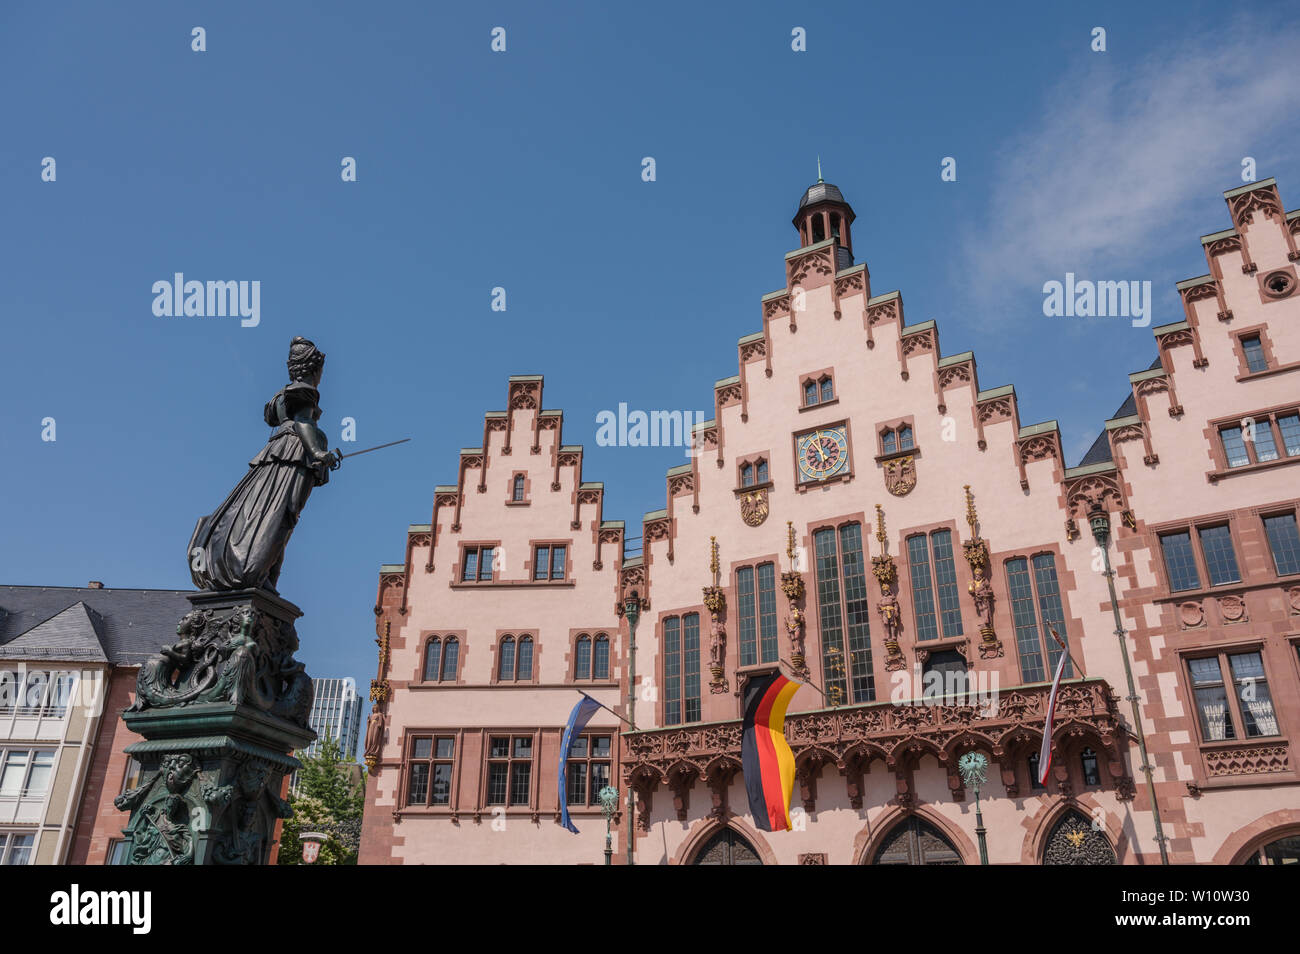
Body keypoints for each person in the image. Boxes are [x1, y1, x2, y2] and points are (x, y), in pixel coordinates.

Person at [188, 337, 338, 593]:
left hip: (275, 454)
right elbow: (303, 421)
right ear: (314, 369)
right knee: (281, 516)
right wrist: (319, 452)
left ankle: (264, 576)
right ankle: (259, 573)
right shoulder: (304, 392)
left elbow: (273, 418)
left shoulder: (280, 396)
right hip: (293, 455)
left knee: (269, 513)